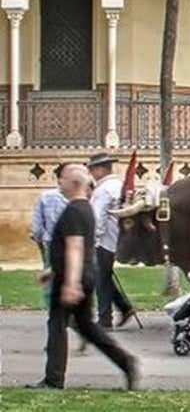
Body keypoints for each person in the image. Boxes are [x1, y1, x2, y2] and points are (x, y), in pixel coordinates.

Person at [27, 164, 138, 390]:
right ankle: (125, 361)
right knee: (87, 326)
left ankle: (53, 379)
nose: (60, 184)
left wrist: (70, 283)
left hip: (73, 277)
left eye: (63, 180)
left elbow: (75, 247)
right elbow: (79, 247)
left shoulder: (74, 211)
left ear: (74, 184)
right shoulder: (85, 209)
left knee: (57, 324)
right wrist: (52, 271)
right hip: (84, 273)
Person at [87, 153, 135, 329]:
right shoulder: (117, 185)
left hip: (105, 240)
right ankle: (124, 307)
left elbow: (97, 218)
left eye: (92, 169)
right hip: (117, 237)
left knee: (101, 278)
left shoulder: (103, 190)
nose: (91, 172)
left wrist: (93, 241)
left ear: (101, 169)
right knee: (104, 277)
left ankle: (105, 318)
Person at [30, 166, 69, 308]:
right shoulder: (77, 198)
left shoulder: (45, 197)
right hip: (72, 243)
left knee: (51, 276)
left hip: (51, 243)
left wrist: (39, 240)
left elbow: (36, 227)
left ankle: (53, 307)